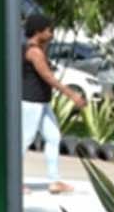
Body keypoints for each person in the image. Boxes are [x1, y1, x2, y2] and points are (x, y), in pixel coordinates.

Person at [21, 12, 86, 195]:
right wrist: (72, 95)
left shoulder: (39, 48)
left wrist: (45, 43)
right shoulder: (33, 52)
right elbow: (48, 77)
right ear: (38, 31)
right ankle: (13, 181)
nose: (52, 34)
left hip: (42, 102)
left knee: (53, 137)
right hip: (31, 102)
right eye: (48, 30)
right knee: (24, 140)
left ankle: (54, 181)